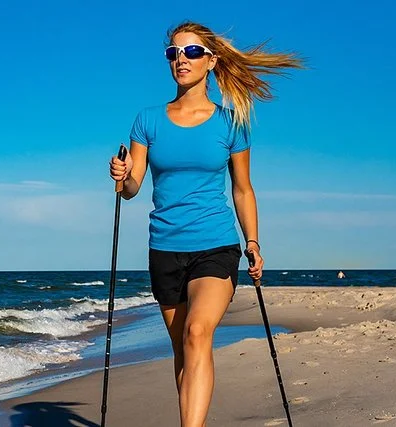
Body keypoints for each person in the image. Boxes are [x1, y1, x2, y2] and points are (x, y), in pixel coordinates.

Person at [108, 20, 302, 426]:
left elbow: (243, 190)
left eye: (191, 52)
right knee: (183, 350)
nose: (181, 59)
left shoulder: (231, 122)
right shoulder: (148, 120)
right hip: (164, 248)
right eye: (174, 52)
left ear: (211, 61)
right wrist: (122, 175)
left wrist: (253, 242)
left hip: (216, 244)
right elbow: (132, 189)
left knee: (198, 333)